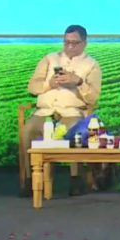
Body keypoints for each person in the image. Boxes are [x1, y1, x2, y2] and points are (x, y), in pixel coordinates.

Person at [20, 25, 103, 197]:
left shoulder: (92, 65)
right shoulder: (49, 59)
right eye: (66, 42)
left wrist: (78, 82)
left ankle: (75, 179)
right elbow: (32, 87)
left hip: (72, 112)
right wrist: (49, 84)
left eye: (74, 43)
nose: (69, 47)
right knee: (28, 130)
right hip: (45, 112)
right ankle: (30, 180)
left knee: (74, 131)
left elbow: (93, 98)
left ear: (84, 43)